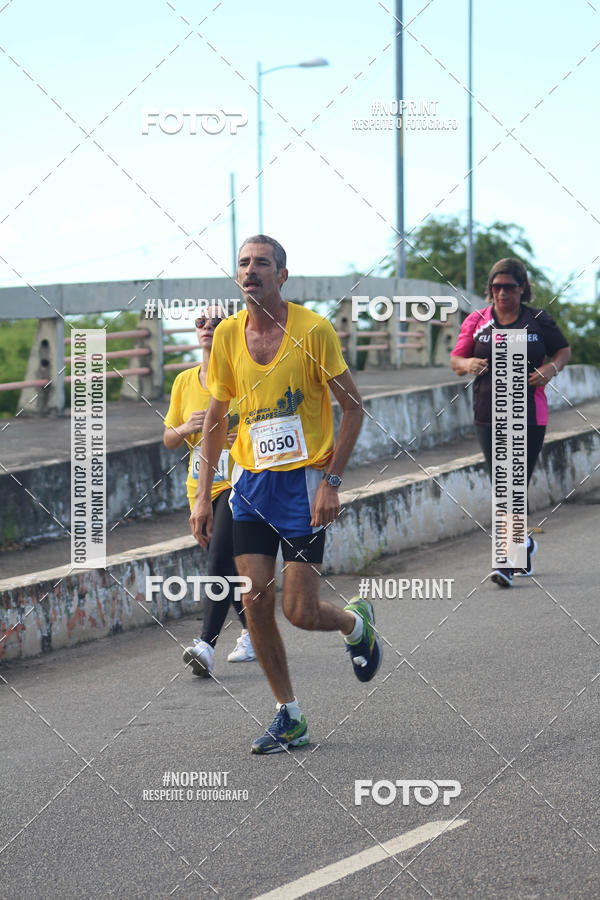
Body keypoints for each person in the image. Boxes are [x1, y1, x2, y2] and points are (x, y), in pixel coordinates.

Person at [190, 234, 382, 754]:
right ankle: (289, 716)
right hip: (250, 483)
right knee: (255, 600)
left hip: (304, 482)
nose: (251, 271)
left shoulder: (313, 331)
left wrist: (332, 481)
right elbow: (215, 415)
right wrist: (204, 494)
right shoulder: (229, 335)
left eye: (263, 263)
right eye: (244, 263)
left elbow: (354, 408)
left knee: (300, 610)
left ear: (282, 276)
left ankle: (353, 622)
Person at [450, 258, 571, 587]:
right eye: (496, 287)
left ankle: (505, 561)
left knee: (511, 484)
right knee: (505, 484)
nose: (502, 293)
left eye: (509, 287)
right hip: (487, 414)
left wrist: (550, 370)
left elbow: (563, 351)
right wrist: (468, 363)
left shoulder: (538, 321)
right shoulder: (476, 321)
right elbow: (455, 360)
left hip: (529, 414)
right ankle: (521, 546)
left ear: (522, 288)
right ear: (490, 290)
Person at [163, 306, 255, 676]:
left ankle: (205, 645)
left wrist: (236, 433)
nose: (208, 328)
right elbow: (169, 440)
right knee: (229, 564)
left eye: (217, 324)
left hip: (240, 482)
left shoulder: (242, 376)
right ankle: (253, 634)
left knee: (219, 560)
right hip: (199, 486)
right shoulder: (184, 382)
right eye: (201, 322)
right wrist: (187, 427)